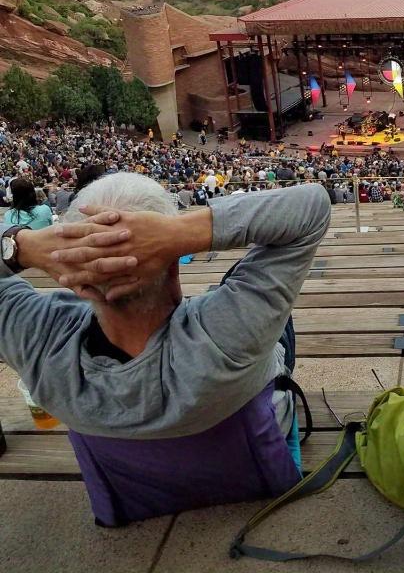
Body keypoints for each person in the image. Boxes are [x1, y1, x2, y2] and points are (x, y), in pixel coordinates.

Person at [0, 173, 331, 526]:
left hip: (127, 499)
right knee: (265, 300)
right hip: (250, 446)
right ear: (174, 262)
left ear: (72, 271)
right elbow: (311, 207)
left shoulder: (37, 340)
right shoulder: (229, 332)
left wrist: (21, 247)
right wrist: (182, 232)